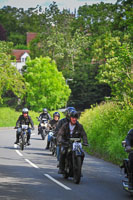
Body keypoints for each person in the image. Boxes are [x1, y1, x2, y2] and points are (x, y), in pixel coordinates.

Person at [57, 110, 88, 174]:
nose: (74, 119)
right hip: (66, 143)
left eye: (75, 118)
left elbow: (84, 135)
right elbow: (60, 134)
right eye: (73, 117)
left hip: (76, 143)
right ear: (70, 118)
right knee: (63, 152)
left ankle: (79, 169)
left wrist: (85, 141)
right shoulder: (65, 126)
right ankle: (61, 168)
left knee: (82, 154)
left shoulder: (79, 126)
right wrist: (60, 140)